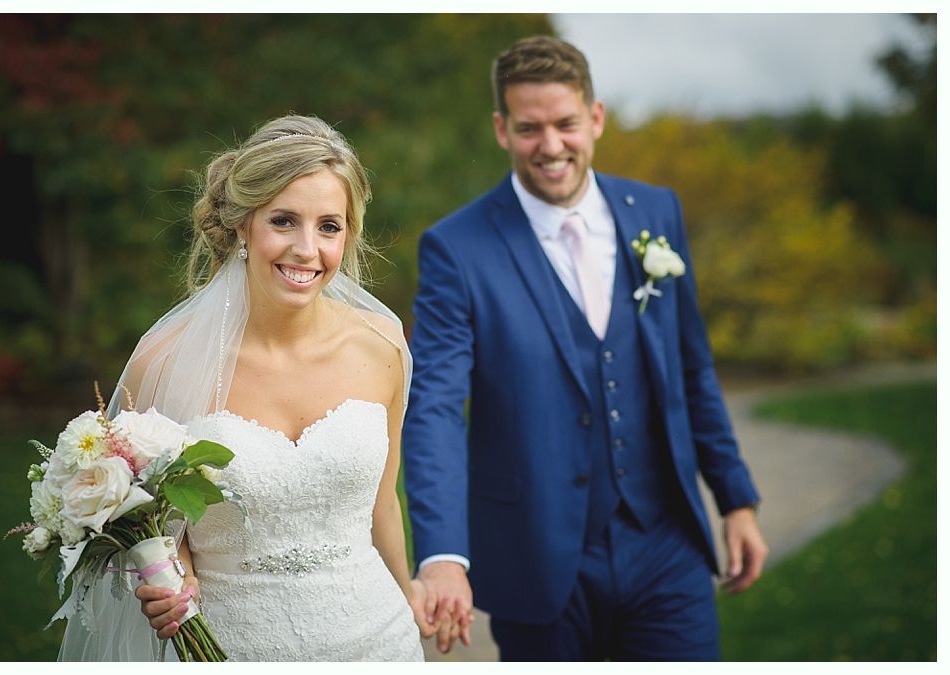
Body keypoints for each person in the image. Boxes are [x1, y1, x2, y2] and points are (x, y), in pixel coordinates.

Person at [402, 36, 768, 661]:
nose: (550, 146)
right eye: (529, 128)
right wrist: (442, 556)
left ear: (594, 118)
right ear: (501, 128)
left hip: (666, 546)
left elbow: (691, 366)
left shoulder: (655, 210)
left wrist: (736, 499)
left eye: (566, 123)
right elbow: (433, 404)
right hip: (536, 558)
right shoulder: (456, 248)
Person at [57, 115, 427, 661]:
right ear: (241, 226)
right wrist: (170, 576)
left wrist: (410, 595)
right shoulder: (167, 362)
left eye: (329, 226)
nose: (307, 249)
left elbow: (382, 503)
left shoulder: (383, 345)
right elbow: (150, 517)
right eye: (283, 221)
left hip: (380, 642)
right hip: (238, 646)